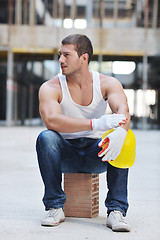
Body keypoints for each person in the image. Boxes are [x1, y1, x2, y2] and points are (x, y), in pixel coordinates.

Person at [36, 34, 131, 232]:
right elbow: (51, 121)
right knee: (46, 137)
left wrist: (120, 132)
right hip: (66, 153)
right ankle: (54, 206)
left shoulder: (107, 83)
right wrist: (96, 123)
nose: (60, 60)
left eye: (66, 55)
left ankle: (116, 211)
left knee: (126, 138)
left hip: (97, 153)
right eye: (59, 55)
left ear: (84, 57)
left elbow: (123, 113)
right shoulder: (51, 87)